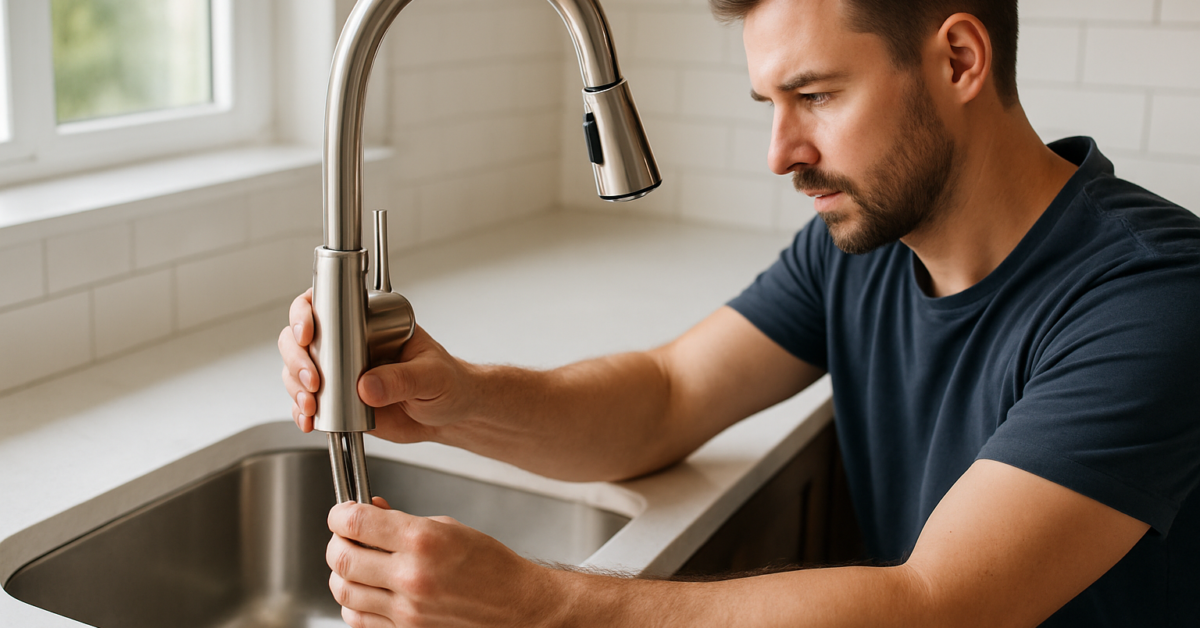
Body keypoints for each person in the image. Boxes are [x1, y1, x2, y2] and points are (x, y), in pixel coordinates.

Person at [279, 0, 1200, 625]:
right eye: (768, 102)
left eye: (817, 95)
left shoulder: (1156, 297)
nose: (780, 151)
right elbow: (670, 395)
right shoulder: (866, 243)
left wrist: (541, 605)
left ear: (959, 59)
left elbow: (937, 606)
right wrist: (448, 397)